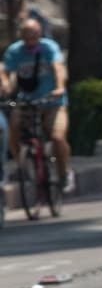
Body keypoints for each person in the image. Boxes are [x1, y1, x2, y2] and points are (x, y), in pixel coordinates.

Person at [2, 18, 73, 193]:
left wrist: (59, 88)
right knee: (13, 130)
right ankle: (23, 166)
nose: (30, 41)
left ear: (39, 34)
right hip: (27, 100)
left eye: (33, 36)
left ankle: (64, 173)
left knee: (56, 137)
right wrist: (5, 85)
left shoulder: (49, 47)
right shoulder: (15, 51)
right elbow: (5, 72)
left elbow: (58, 68)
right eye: (26, 37)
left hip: (52, 101)